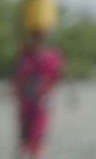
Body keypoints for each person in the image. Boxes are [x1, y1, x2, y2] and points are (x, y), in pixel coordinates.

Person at [13, 27, 63, 157]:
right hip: (26, 102)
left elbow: (58, 76)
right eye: (36, 36)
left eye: (41, 36)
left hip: (42, 102)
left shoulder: (52, 55)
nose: (39, 39)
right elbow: (17, 77)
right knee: (24, 138)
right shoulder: (25, 54)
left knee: (38, 136)